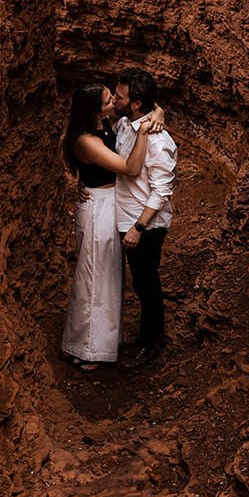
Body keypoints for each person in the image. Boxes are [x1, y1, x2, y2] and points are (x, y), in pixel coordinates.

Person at [60, 81, 157, 371]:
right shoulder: (86, 140)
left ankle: (98, 344)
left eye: (112, 96)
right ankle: (85, 349)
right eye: (107, 100)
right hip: (98, 208)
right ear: (93, 110)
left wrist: (158, 113)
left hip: (107, 203)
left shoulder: (104, 125)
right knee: (95, 276)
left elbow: (150, 104)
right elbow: (130, 168)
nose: (114, 101)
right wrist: (142, 134)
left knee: (109, 275)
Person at [113, 68, 177, 368]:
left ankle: (152, 341)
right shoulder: (126, 123)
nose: (115, 99)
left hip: (146, 226)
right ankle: (150, 336)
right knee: (141, 282)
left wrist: (139, 227)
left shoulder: (158, 141)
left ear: (137, 103)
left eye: (121, 96)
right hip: (128, 218)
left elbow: (162, 189)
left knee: (146, 284)